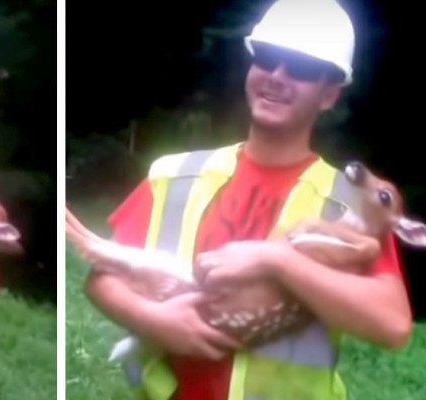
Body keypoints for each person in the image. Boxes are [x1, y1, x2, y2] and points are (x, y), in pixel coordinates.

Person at [84, 0, 413, 399]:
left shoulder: (348, 203)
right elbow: (102, 279)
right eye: (268, 58)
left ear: (329, 94)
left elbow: (393, 325)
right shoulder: (177, 175)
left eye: (303, 68)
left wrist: (278, 260)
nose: (277, 75)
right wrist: (152, 319)